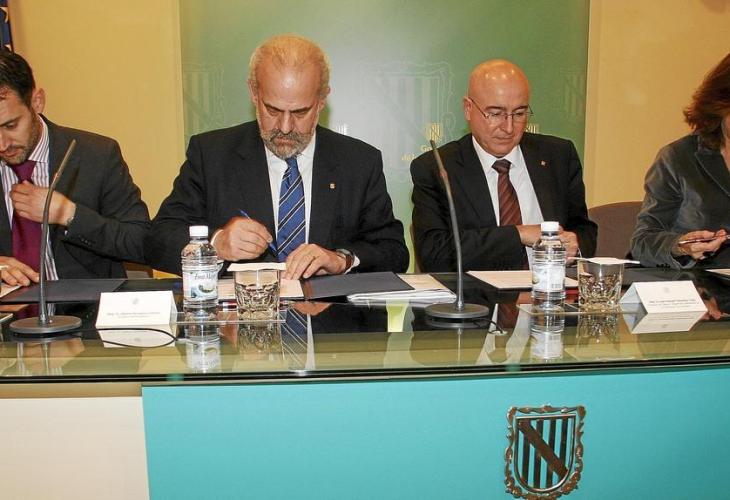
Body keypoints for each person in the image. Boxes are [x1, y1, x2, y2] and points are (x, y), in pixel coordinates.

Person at [146, 34, 408, 279]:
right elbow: (157, 239)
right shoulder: (212, 154)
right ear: (254, 93)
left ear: (321, 100)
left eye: (300, 112)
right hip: (242, 311)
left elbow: (394, 251)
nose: (284, 127)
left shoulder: (359, 162)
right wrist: (217, 243)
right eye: (272, 110)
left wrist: (341, 259)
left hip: (330, 312)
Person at [410, 59, 596, 271]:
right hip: (478, 291)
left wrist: (575, 244)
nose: (508, 127)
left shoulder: (558, 156)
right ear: (468, 109)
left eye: (519, 114)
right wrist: (518, 234)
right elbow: (434, 252)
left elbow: (584, 230)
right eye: (496, 114)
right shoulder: (437, 167)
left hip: (549, 286)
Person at [0, 50, 149, 286]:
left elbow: (140, 242)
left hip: (85, 306)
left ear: (37, 102)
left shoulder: (96, 155)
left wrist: (68, 214)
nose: (2, 144)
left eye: (11, 125)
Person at [631, 52, 730, 269]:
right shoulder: (678, 158)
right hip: (700, 283)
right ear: (720, 104)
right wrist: (681, 246)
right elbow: (643, 243)